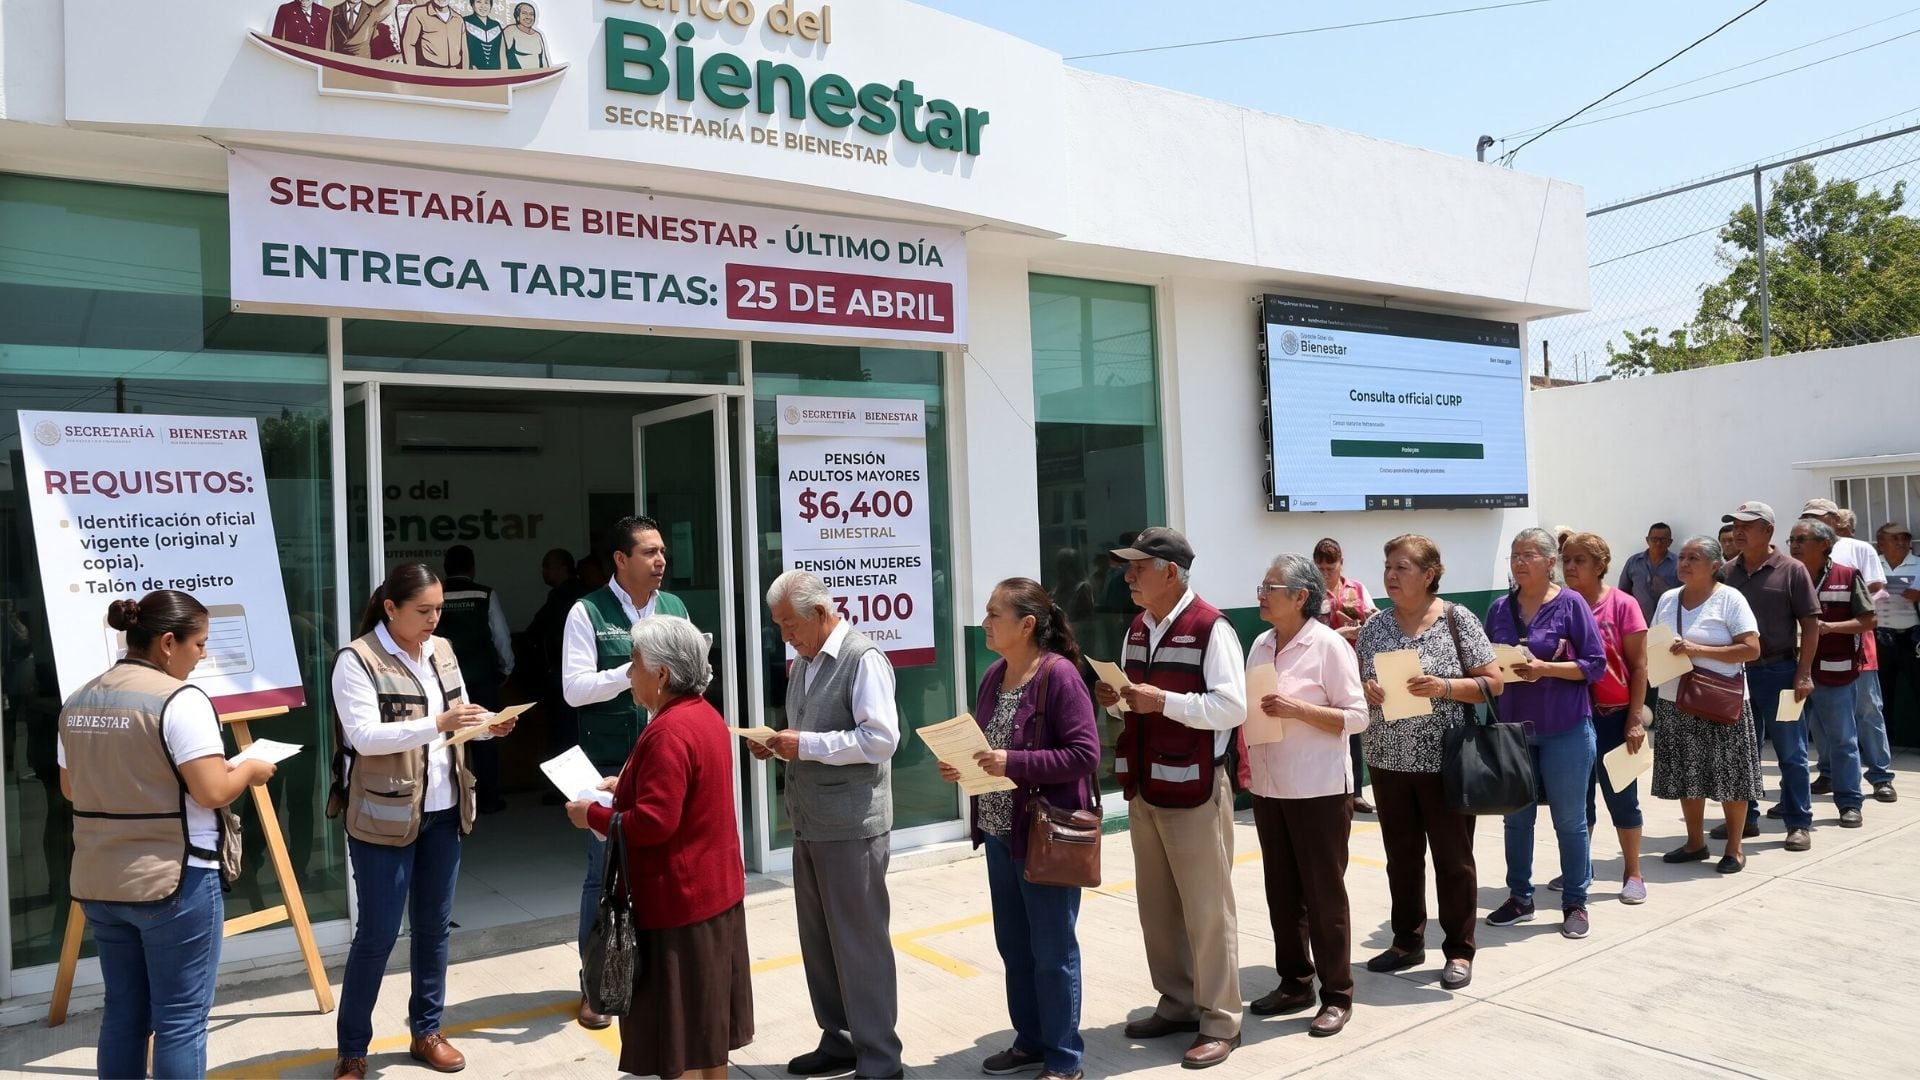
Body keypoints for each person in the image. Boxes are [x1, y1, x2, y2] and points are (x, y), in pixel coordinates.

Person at [59, 591, 276, 1079]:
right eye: (199, 643)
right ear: (167, 643)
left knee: (123, 1013)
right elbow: (212, 791)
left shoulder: (79, 698)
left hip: (100, 880)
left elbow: (72, 787)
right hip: (174, 880)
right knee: (180, 1020)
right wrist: (250, 770)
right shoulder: (181, 700)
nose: (203, 654)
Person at [330, 563, 517, 1079]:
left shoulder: (443, 650)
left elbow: (458, 722)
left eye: (438, 609)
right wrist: (437, 722)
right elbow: (365, 737)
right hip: (383, 817)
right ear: (390, 608)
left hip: (443, 808)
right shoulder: (357, 659)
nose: (434, 619)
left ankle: (427, 1031)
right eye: (424, 610)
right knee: (377, 934)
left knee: (434, 929)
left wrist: (489, 727)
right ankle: (352, 1049)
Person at [564, 615, 752, 1079]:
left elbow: (654, 823)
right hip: (712, 896)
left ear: (662, 673)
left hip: (680, 906)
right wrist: (626, 784)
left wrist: (591, 815)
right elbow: (680, 795)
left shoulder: (669, 730)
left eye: (635, 663)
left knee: (681, 1039)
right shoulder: (702, 714)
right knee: (707, 1032)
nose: (630, 673)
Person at [1093, 527, 1248, 1070]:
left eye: (1138, 567)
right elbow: (1132, 704)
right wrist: (1114, 701)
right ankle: (1177, 1002)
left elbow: (1232, 708)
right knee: (1157, 909)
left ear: (1171, 573)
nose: (1128, 577)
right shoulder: (1138, 627)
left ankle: (1221, 1020)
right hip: (1146, 786)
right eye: (1128, 567)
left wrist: (1164, 702)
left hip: (1197, 789)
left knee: (1208, 911)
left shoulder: (1212, 627)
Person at [941, 578, 1099, 1080]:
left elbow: (1085, 754)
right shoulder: (994, 675)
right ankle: (1030, 1041)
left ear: (1027, 624)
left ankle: (1064, 1058)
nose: (985, 623)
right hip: (999, 834)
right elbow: (987, 748)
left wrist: (1014, 761)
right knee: (1014, 947)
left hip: (1043, 838)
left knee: (1052, 952)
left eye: (994, 614)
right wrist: (962, 763)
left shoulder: (1060, 676)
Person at [751, 570, 904, 1079]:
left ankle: (880, 1058)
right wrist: (779, 744)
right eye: (778, 625)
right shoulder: (806, 660)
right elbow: (814, 732)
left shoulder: (863, 659)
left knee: (860, 944)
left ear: (819, 612)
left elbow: (881, 740)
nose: (784, 635)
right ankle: (839, 1039)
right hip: (812, 821)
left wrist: (806, 745)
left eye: (789, 624)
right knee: (820, 944)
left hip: (852, 825)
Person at [1355, 534, 1502, 990]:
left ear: (1429, 575)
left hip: (1446, 762)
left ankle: (1459, 949)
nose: (1390, 575)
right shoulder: (1374, 627)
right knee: (1401, 858)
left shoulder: (1458, 619)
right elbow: (1359, 683)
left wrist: (1444, 687)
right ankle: (1406, 942)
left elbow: (1493, 682)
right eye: (1387, 567)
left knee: (1453, 860)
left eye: (1401, 567)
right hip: (1388, 760)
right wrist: (1367, 689)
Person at [560, 515, 689, 1030]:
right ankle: (596, 985)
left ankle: (648, 974)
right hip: (608, 762)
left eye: (662, 552)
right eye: (649, 552)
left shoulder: (673, 608)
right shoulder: (587, 611)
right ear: (620, 559)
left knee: (662, 866)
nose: (661, 561)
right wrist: (632, 673)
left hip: (664, 756)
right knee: (604, 873)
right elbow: (574, 689)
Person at [1245, 554, 1367, 1038]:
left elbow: (1357, 717)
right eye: (1261, 584)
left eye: (1270, 587)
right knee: (1281, 893)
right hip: (1269, 786)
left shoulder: (1329, 645)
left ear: (1300, 596)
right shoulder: (1259, 644)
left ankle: (1337, 993)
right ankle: (1294, 982)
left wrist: (1298, 709)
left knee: (1323, 896)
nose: (1261, 594)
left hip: (1318, 790)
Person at [1484, 528, 1608, 939]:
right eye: (1515, 555)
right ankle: (1520, 897)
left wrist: (1546, 669)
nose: (1519, 562)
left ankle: (1575, 901)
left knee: (1569, 820)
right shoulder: (1499, 608)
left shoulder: (1571, 604)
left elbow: (1595, 664)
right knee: (1516, 819)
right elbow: (1484, 664)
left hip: (1565, 728)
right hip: (1515, 731)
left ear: (1550, 561)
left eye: (1529, 554)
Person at [1651, 536, 1764, 873]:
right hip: (1674, 699)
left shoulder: (1730, 599)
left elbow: (1751, 649)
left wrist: (1697, 650)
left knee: (1731, 776)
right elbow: (1654, 641)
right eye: (1683, 557)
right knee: (1688, 774)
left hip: (1721, 701)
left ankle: (1734, 848)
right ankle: (1694, 842)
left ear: (1715, 566)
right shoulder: (1668, 599)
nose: (1684, 563)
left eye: (1694, 558)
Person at [1719, 501, 1820, 851]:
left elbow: (1810, 625)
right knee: (1741, 751)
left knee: (1791, 752)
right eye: (1735, 525)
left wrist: (1804, 673)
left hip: (1781, 672)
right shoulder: (1726, 572)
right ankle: (1745, 819)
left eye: (1747, 525)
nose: (1738, 531)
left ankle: (1798, 822)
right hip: (1737, 674)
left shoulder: (1792, 570)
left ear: (1768, 531)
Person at [1560, 532, 1652, 904]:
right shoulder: (1560, 605)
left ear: (1600, 566)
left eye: (1579, 560)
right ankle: (1580, 868)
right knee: (1577, 802)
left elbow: (1640, 666)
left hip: (1615, 718)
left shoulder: (1623, 604)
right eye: (1566, 559)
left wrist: (1635, 719)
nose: (1570, 567)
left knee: (1623, 799)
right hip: (1573, 719)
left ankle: (1633, 873)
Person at [1802, 502, 1896, 803]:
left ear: (1833, 519)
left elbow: (1878, 590)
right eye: (1805, 518)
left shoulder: (1858, 548)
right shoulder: (1800, 554)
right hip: (1814, 650)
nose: (1809, 523)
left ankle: (1880, 775)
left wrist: (1847, 612)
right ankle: (1829, 771)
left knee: (1868, 710)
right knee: (1819, 715)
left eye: (1815, 518)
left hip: (1856, 643)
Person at [1788, 519, 1874, 830]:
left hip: (1834, 672)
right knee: (1791, 743)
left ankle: (1850, 802)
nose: (1794, 545)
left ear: (1825, 544)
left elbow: (1869, 621)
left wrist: (1829, 627)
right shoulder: (1785, 575)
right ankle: (1791, 801)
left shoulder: (1847, 576)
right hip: (1789, 673)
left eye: (1802, 539)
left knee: (1842, 740)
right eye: (1791, 539)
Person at [440, 544, 514, 814]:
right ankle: (489, 800)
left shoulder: (436, 595)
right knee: (487, 735)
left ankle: (450, 801)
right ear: (472, 567)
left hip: (445, 681)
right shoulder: (485, 594)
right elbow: (501, 636)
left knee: (446, 740)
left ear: (445, 568)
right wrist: (506, 668)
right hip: (482, 677)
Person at [1313, 537, 1377, 814]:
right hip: (1323, 667)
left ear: (1341, 563)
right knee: (1327, 727)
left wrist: (1368, 620)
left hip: (1356, 666)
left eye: (1331, 568)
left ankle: (1356, 792)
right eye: (1321, 568)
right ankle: (1328, 791)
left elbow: (1373, 618)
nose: (1326, 574)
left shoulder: (1356, 588)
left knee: (1354, 729)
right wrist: (1341, 633)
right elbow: (1308, 631)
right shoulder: (1310, 593)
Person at [1874, 521, 1918, 801]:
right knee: (1881, 695)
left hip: (1912, 637)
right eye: (1895, 538)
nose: (1901, 542)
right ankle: (1884, 748)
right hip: (1880, 636)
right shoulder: (1873, 566)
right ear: (1881, 543)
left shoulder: (1918, 564)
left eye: (1905, 538)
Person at [1618, 521, 1679, 623]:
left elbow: (1685, 593)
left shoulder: (1678, 564)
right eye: (1654, 539)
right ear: (1647, 540)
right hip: (1637, 620)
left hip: (1667, 619)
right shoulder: (1633, 562)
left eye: (1663, 539)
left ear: (1670, 542)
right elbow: (1623, 592)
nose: (1658, 543)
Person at [401, 0, 465, 67]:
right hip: (429, 68)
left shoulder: (458, 19)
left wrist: (465, 71)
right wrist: (413, 70)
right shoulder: (418, 13)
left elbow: (464, 50)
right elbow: (408, 44)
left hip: (455, 69)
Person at [328, 0, 397, 58]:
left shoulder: (372, 11)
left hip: (362, 63)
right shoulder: (335, 10)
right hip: (339, 62)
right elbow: (329, 39)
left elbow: (391, 3)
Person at [504, 2, 548, 69]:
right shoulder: (510, 31)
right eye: (524, 13)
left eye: (531, 14)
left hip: (537, 74)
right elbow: (501, 56)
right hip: (516, 74)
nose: (528, 17)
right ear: (517, 16)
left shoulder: (537, 35)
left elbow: (544, 60)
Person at [463, 0, 505, 69]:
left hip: (495, 71)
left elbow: (502, 53)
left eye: (486, 2)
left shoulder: (496, 25)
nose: (483, 6)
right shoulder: (464, 22)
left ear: (490, 6)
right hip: (473, 72)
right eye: (478, 2)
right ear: (472, 5)